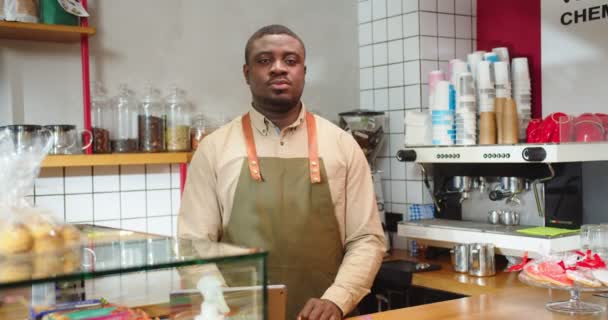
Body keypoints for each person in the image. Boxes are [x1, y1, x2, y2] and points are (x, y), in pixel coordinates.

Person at [178, 24, 385, 320]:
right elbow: (193, 244)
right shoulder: (213, 149)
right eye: (265, 60)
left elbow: (367, 239)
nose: (278, 68)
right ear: (247, 73)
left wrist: (338, 300)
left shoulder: (342, 144)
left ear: (303, 70)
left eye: (290, 60)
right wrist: (224, 304)